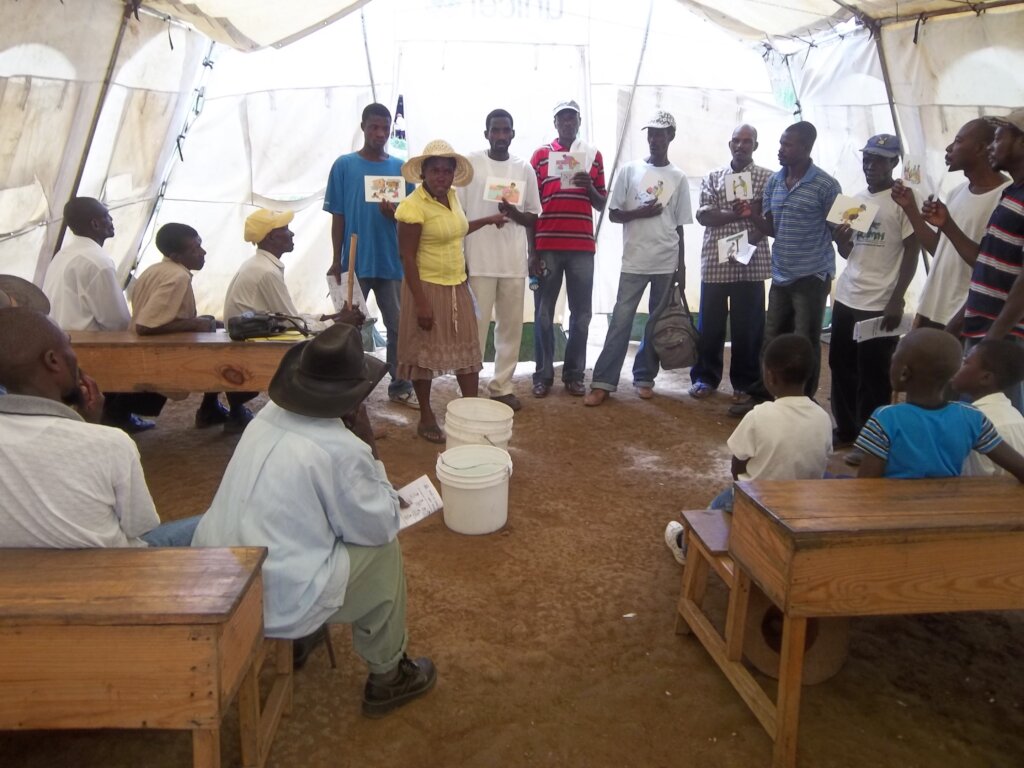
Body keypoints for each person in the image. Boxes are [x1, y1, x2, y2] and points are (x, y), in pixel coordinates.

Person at [191, 323, 437, 717]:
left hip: (216, 573)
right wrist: (368, 445)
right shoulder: (341, 449)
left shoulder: (266, 416)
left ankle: (302, 636)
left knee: (307, 522)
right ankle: (389, 675)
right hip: (271, 593)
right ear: (353, 401)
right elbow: (380, 524)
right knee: (382, 553)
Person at [0, 307, 198, 547]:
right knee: (209, 521)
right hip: (112, 574)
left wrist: (87, 425)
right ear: (53, 361)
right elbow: (140, 525)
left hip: (18, 576)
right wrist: (93, 428)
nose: (75, 357)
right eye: (69, 346)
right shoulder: (111, 443)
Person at [664, 334, 832, 564]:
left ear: (769, 377)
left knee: (713, 510)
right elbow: (822, 459)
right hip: (802, 504)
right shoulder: (823, 418)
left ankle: (685, 543)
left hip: (757, 502)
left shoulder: (759, 415)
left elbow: (737, 466)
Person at [394, 140, 506, 443]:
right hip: (426, 287)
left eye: (446, 171)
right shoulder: (411, 208)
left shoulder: (452, 198)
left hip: (457, 285)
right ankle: (426, 416)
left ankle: (469, 412)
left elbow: (456, 229)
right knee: (423, 353)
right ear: (424, 173)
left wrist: (487, 220)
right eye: (435, 171)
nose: (441, 176)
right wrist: (421, 304)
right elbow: (406, 257)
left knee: (467, 347)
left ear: (453, 174)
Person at [729, 122, 841, 417]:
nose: (780, 150)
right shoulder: (774, 183)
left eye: (787, 145)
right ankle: (765, 396)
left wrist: (848, 231)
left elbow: (837, 231)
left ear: (806, 148)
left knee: (806, 340)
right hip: (781, 274)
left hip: (812, 275)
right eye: (780, 143)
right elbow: (773, 228)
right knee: (773, 337)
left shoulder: (827, 186)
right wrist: (752, 215)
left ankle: (804, 402)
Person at [583, 111, 691, 406]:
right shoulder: (630, 171)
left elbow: (679, 225)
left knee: (657, 323)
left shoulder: (678, 178)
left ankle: (645, 377)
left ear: (671, 136)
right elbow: (614, 213)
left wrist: (681, 268)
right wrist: (640, 213)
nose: (655, 139)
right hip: (634, 260)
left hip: (666, 260)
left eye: (661, 133)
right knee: (621, 321)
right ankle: (604, 382)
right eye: (651, 133)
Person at [921, 109, 1024, 414]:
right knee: (974, 421)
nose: (993, 145)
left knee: (998, 424)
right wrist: (963, 321)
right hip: (982, 329)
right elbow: (991, 269)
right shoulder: (1013, 196)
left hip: (1003, 338)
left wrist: (993, 339)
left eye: (1000, 137)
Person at [830, 135, 919, 465]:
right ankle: (847, 429)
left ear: (894, 162)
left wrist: (897, 299)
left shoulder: (904, 200)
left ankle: (870, 441)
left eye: (879, 160)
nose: (871, 165)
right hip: (848, 295)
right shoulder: (856, 199)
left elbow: (912, 250)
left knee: (874, 375)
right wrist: (841, 242)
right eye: (867, 159)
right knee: (840, 365)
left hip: (880, 301)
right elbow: (851, 251)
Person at [324, 103, 418, 409]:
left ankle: (400, 384)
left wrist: (395, 215)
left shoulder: (402, 170)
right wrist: (336, 259)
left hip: (392, 262)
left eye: (384, 127)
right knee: (347, 326)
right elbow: (337, 215)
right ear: (363, 126)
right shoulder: (344, 166)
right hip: (355, 262)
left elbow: (414, 220)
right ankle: (343, 386)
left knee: (399, 326)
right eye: (373, 127)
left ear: (391, 129)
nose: (379, 133)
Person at [42, 197, 160, 432]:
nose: (112, 220)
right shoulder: (97, 261)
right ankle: (117, 416)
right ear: (95, 224)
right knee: (158, 362)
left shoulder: (64, 254)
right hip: (87, 346)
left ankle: (116, 413)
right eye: (107, 216)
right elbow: (116, 320)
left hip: (59, 339)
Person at [855, 328, 1024, 480]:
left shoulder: (885, 418)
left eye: (894, 360)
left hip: (895, 511)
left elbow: (866, 486)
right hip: (948, 510)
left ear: (904, 373)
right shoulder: (973, 417)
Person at [457, 109, 542, 412]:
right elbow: (459, 214)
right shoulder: (470, 165)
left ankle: (502, 386)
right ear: (486, 133)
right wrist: (461, 258)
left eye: (506, 131)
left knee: (510, 327)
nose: (501, 136)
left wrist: (513, 213)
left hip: (512, 262)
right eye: (496, 130)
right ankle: (471, 388)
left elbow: (532, 215)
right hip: (478, 260)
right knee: (475, 328)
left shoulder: (524, 169)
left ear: (513, 134)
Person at [132, 223, 252, 433]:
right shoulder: (177, 276)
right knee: (232, 358)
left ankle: (210, 408)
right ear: (176, 256)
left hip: (152, 347)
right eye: (194, 249)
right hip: (159, 354)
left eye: (200, 246)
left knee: (217, 339)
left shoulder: (155, 269)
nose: (202, 252)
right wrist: (195, 324)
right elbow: (145, 325)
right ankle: (235, 410)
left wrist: (203, 322)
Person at [891, 119, 1010, 329]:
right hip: (934, 310)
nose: (948, 148)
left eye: (957, 141)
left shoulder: (1005, 198)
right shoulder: (958, 193)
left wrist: (948, 226)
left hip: (962, 319)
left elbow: (992, 265)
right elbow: (941, 249)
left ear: (981, 148)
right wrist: (910, 208)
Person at [688, 124, 772, 403]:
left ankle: (745, 382)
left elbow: (768, 220)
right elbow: (704, 216)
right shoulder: (713, 177)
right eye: (736, 141)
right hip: (716, 262)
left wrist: (745, 242)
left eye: (747, 141)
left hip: (751, 261)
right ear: (729, 144)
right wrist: (741, 214)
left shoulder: (767, 179)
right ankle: (705, 377)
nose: (741, 146)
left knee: (748, 327)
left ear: (755, 146)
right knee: (710, 324)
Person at [530, 99, 607, 398]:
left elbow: (602, 204)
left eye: (572, 118)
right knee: (543, 314)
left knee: (582, 314)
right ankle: (543, 376)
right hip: (547, 244)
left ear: (578, 121)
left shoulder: (592, 156)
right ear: (555, 123)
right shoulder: (540, 156)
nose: (567, 123)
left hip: (581, 247)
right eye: (562, 119)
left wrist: (588, 186)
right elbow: (531, 204)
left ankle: (574, 375)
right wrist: (532, 251)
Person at [951, 340, 1024, 478]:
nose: (958, 367)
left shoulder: (974, 425)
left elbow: (976, 481)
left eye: (966, 362)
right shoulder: (1016, 416)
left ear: (985, 378)